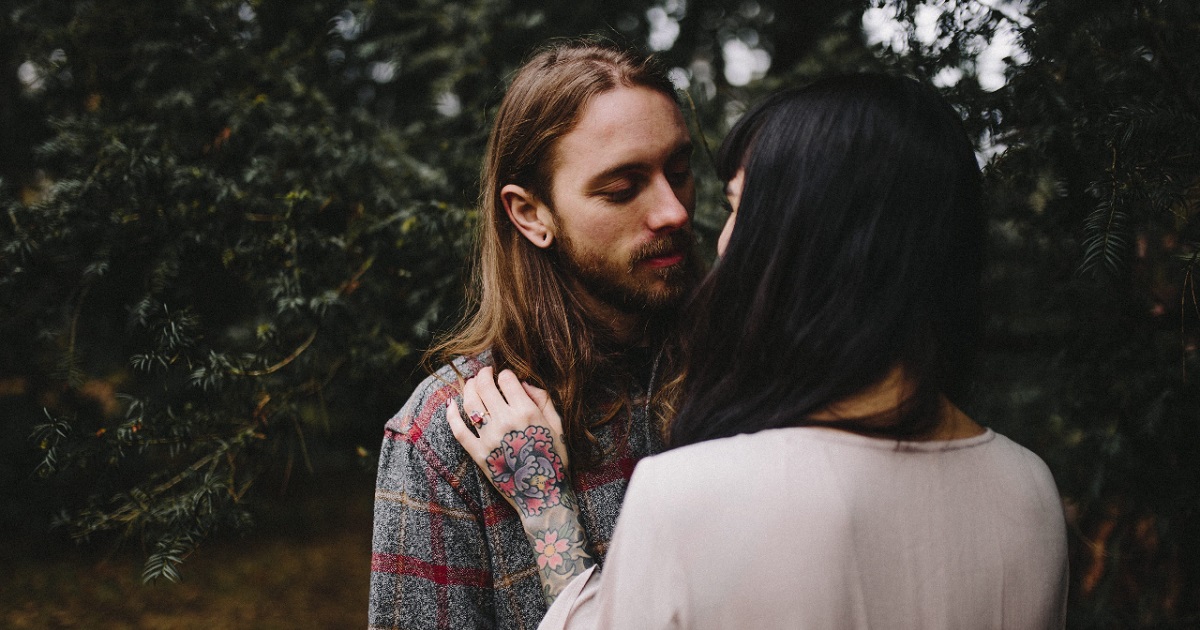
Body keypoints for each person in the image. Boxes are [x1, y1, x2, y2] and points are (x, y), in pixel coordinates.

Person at [448, 74, 1070, 629]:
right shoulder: (1030, 489)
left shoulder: (690, 496)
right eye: (621, 187)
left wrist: (546, 510)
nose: (711, 237)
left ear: (806, 240)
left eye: (740, 208)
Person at [368, 39, 702, 629]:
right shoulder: (446, 431)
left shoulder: (751, 365)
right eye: (622, 189)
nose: (673, 210)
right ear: (530, 214)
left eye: (679, 171)